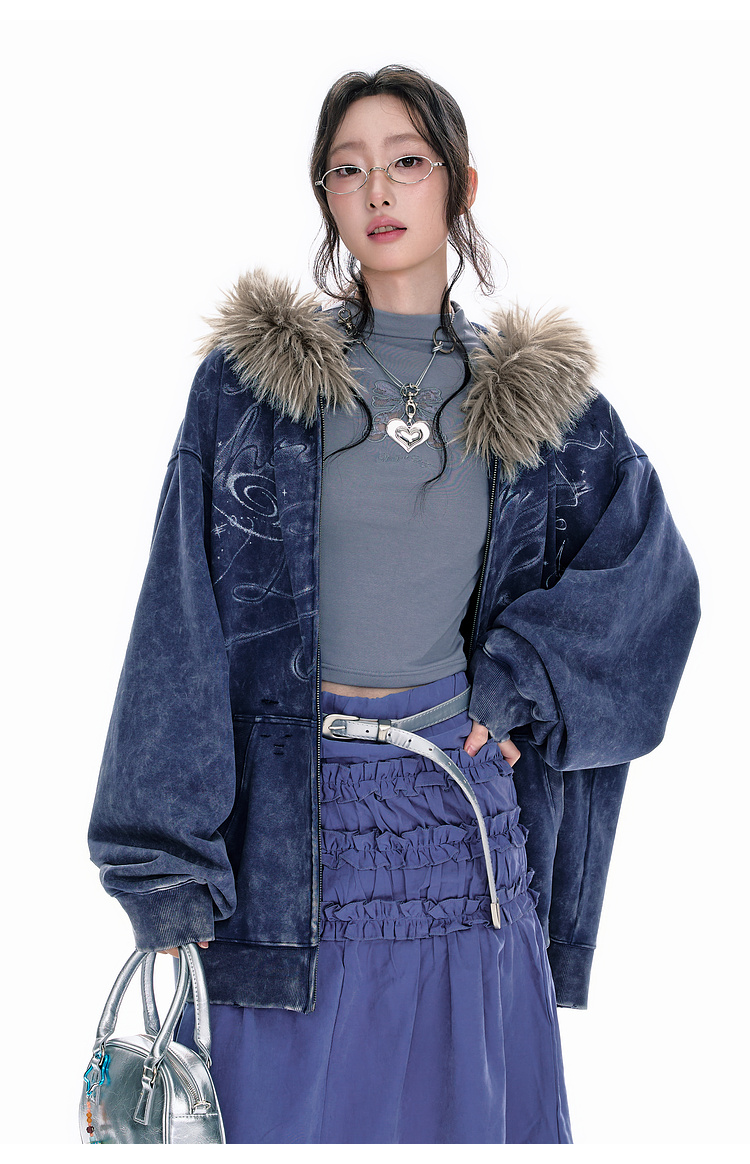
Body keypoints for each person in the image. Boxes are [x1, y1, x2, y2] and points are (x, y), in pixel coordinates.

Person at [87, 64, 700, 1144]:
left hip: (458, 825)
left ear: (461, 184)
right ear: (325, 195)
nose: (377, 189)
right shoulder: (249, 392)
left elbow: (652, 583)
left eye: (406, 161)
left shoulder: (549, 408)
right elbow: (177, 624)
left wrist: (519, 680)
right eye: (348, 169)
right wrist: (163, 868)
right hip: (286, 840)